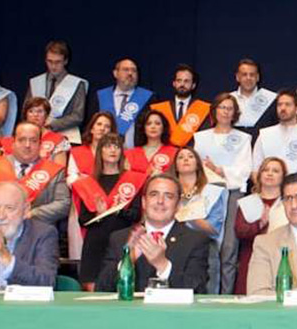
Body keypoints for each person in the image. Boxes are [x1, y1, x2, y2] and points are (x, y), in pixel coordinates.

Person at [95, 174, 213, 293]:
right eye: (154, 194)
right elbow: (101, 289)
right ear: (144, 202)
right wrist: (127, 261)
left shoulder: (196, 240)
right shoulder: (120, 238)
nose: (160, 201)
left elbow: (197, 290)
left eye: (168, 196)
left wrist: (162, 265)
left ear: (178, 206)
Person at [71, 134, 144, 289]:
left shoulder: (133, 179)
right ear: (100, 151)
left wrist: (118, 210)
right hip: (95, 244)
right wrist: (97, 214)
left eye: (117, 146)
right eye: (108, 146)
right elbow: (83, 220)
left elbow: (136, 215)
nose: (113, 150)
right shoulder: (87, 182)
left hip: (123, 242)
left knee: (124, 288)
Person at [0, 122, 71, 225]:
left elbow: (63, 203)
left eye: (33, 140)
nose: (27, 145)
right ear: (13, 143)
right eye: (22, 140)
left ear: (40, 144)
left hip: (37, 233)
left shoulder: (54, 170)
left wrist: (31, 215)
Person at [174, 149, 228, 292]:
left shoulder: (212, 192)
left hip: (204, 247)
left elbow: (213, 229)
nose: (186, 159)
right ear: (175, 165)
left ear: (198, 164)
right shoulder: (169, 191)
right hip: (172, 244)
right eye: (181, 157)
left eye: (190, 156)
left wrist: (188, 214)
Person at [233, 158, 286, 295]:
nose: (269, 174)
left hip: (282, 258)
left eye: (275, 171)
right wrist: (260, 224)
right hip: (251, 258)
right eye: (265, 170)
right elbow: (240, 231)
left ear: (283, 177)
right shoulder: (248, 202)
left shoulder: (289, 203)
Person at [25, 40, 87, 141]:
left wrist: (51, 125)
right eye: (50, 61)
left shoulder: (77, 84)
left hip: (66, 136)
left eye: (58, 62)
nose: (53, 66)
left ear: (66, 61)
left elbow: (78, 116)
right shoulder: (36, 82)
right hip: (36, 135)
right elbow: (26, 109)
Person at [193, 93, 254, 193]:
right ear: (215, 110)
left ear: (235, 113)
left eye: (230, 109)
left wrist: (219, 170)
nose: (226, 112)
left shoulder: (243, 138)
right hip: (204, 189)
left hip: (232, 190)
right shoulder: (200, 137)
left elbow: (245, 169)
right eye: (222, 107)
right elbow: (195, 165)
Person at [252, 90, 297, 176]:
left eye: (287, 104)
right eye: (280, 105)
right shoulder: (264, 135)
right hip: (269, 187)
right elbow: (255, 170)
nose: (283, 108)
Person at [150, 65, 212, 149]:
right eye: (179, 81)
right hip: (164, 156)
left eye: (186, 81)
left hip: (191, 155)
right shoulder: (160, 108)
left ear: (193, 85)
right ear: (174, 83)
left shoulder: (203, 109)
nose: (182, 84)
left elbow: (204, 137)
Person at [97, 58, 153, 146]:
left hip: (136, 153)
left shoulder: (149, 98)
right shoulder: (100, 96)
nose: (130, 73)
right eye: (126, 70)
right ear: (115, 73)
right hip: (105, 152)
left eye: (134, 71)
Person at [13, 97, 70, 165]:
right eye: (31, 111)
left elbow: (60, 169)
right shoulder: (15, 138)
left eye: (40, 111)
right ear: (26, 115)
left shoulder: (58, 140)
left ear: (46, 115)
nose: (35, 115)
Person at [229, 58, 278, 139]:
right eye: (244, 74)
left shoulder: (271, 99)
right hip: (235, 146)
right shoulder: (228, 99)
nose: (248, 78)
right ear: (237, 77)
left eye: (252, 75)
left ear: (258, 77)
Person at [67, 111, 117, 183]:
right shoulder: (77, 152)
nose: (102, 128)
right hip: (82, 191)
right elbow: (70, 178)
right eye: (99, 124)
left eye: (107, 126)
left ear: (111, 132)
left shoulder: (115, 153)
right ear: (91, 129)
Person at [126, 109, 179, 175]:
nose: (153, 127)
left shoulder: (174, 152)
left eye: (157, 123)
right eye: (148, 124)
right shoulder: (130, 154)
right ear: (143, 128)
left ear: (163, 128)